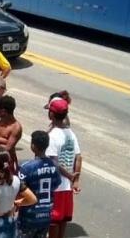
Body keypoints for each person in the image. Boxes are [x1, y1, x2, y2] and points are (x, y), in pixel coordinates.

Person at [46, 99, 82, 238]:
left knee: (54, 222)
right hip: (67, 188)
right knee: (63, 221)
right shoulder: (71, 134)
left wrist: (69, 176)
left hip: (56, 187)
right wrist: (75, 180)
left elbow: (54, 162)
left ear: (51, 115)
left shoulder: (52, 136)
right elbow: (78, 157)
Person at [18, 131, 62, 238]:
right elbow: (56, 184)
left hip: (29, 216)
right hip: (46, 215)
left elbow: (19, 190)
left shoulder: (26, 168)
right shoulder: (55, 166)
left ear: (33, 146)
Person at [0, 95, 22, 173]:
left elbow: (7, 148)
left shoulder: (16, 127)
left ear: (3, 111)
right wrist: (2, 140)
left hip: (7, 162)